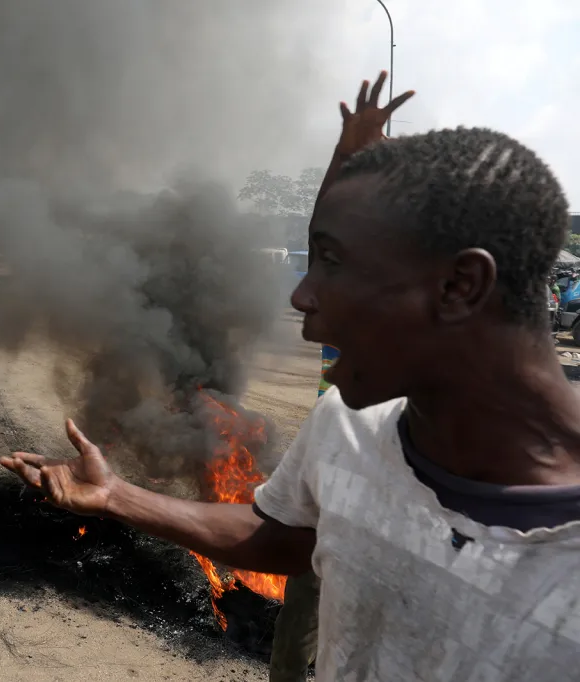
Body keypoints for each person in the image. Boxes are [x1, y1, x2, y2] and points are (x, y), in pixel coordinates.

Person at [0, 75, 580, 681]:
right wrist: (117, 495)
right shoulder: (347, 428)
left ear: (461, 287)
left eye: (333, 264)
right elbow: (277, 535)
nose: (300, 297)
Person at [268, 73, 412, 682]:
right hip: (338, 499)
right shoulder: (349, 314)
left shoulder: (435, 330)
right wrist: (347, 153)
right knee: (301, 620)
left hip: (408, 513)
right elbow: (325, 234)